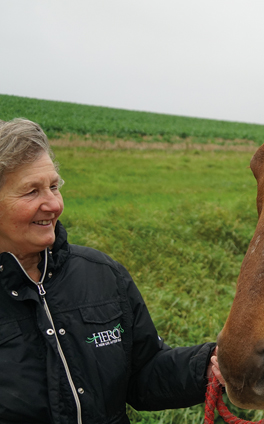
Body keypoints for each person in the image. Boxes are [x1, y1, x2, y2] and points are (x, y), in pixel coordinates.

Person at [0, 118, 224, 424]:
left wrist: (208, 366)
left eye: (53, 186)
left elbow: (142, 373)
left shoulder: (102, 275)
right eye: (31, 192)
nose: (53, 204)